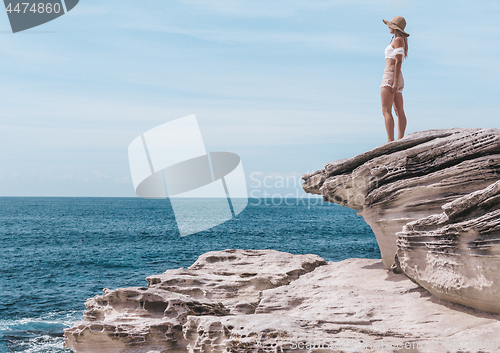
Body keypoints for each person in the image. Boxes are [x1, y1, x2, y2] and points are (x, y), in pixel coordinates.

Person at [381, 16, 409, 142]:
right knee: (399, 110)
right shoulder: (399, 39)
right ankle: (399, 139)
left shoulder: (398, 39)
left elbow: (398, 62)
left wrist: (395, 82)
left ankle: (390, 141)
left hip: (391, 75)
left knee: (386, 110)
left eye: (391, 25)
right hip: (396, 75)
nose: (389, 27)